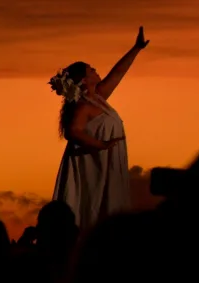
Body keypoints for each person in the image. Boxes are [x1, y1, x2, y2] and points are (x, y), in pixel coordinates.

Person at [49, 26, 150, 230]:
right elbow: (72, 131)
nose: (96, 70)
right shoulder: (83, 106)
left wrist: (136, 48)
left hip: (106, 161)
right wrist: (100, 145)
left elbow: (118, 73)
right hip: (96, 163)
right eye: (91, 69)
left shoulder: (98, 98)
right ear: (84, 80)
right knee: (95, 206)